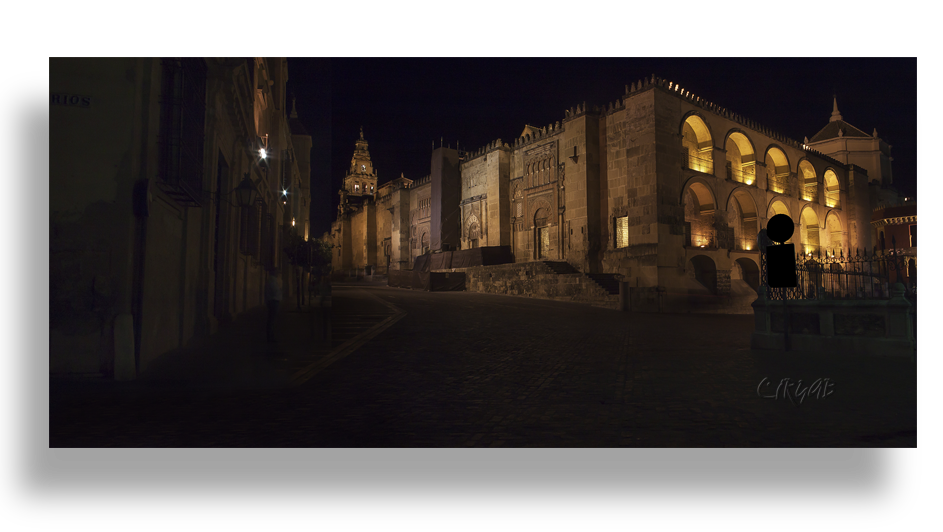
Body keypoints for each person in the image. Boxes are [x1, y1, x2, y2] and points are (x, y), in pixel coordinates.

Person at [265, 268, 282, 342]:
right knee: (271, 320)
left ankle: (271, 335)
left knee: (271, 319)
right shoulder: (272, 281)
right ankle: (270, 336)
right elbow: (275, 291)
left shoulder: (272, 280)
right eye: (276, 272)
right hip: (273, 301)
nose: (278, 274)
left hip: (273, 301)